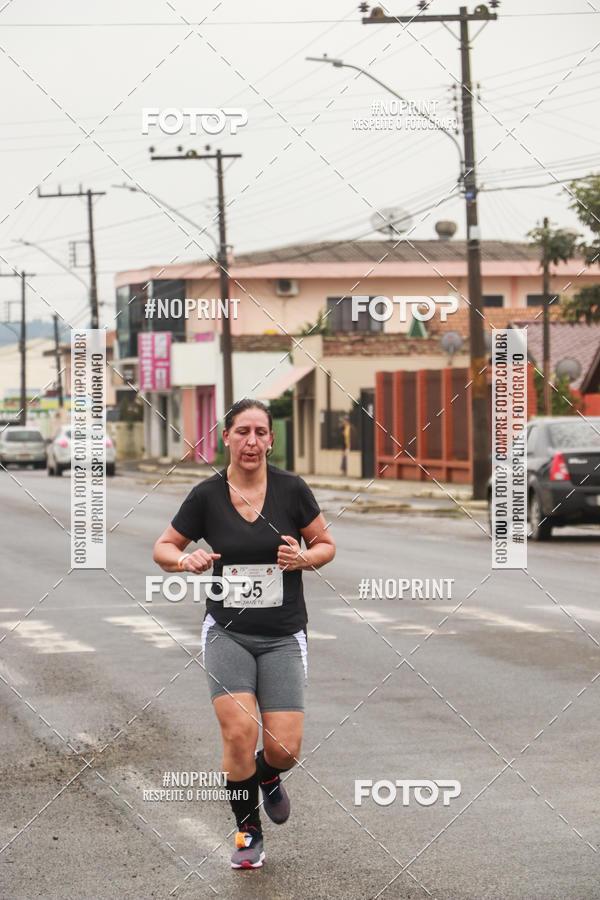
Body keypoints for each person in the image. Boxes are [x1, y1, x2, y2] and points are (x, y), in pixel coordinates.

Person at [153, 398, 336, 869]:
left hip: (283, 635)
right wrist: (184, 559)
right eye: (242, 432)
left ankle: (268, 774)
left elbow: (326, 545)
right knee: (238, 734)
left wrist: (304, 558)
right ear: (226, 438)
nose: (251, 441)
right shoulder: (206, 496)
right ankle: (247, 832)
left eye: (260, 432)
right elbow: (164, 547)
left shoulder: (292, 490)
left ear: (271, 440)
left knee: (284, 749)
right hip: (227, 633)